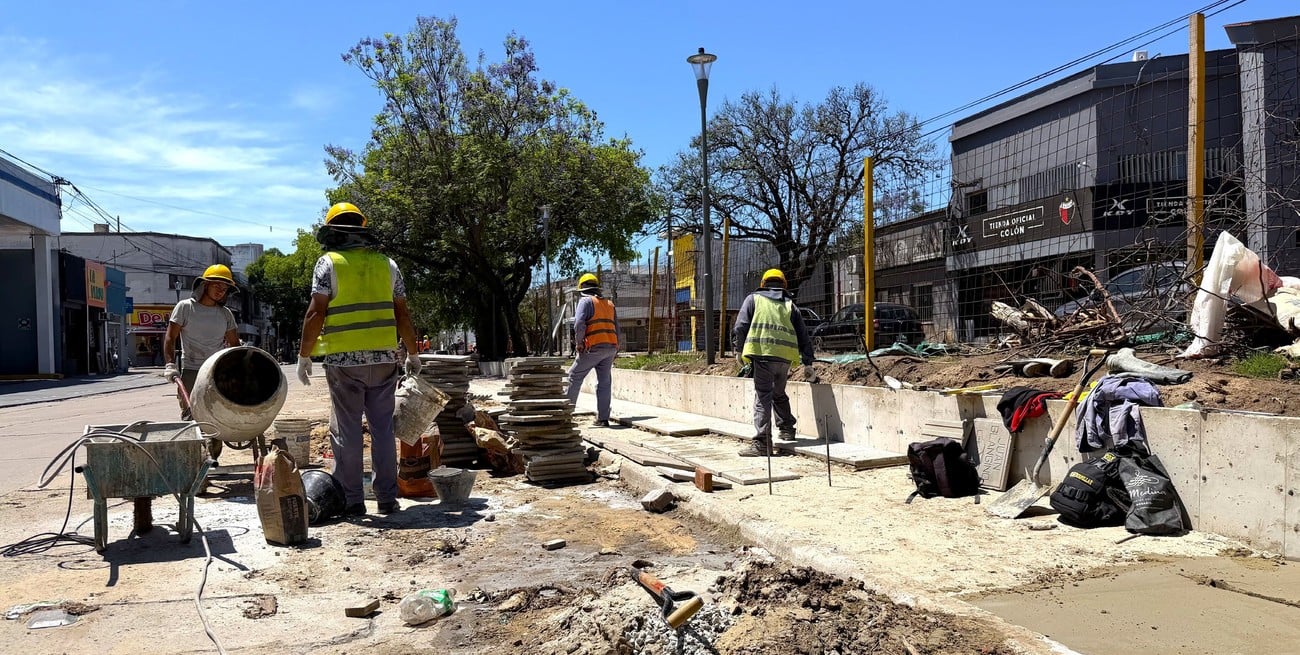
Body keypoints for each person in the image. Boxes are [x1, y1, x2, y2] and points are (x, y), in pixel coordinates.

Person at [297, 202, 421, 517]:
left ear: (333, 233)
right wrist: (413, 353)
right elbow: (402, 315)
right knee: (382, 431)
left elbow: (315, 313)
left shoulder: (328, 264)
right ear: (363, 231)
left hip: (344, 362)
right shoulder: (388, 265)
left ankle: (353, 500)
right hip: (383, 360)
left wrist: (304, 354)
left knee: (347, 431)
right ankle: (387, 500)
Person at [731, 268, 815, 457]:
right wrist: (808, 361)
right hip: (784, 357)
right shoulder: (789, 304)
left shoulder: (753, 299)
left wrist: (738, 350)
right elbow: (803, 334)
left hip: (763, 355)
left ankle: (762, 443)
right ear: (784, 284)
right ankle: (786, 428)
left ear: (763, 283)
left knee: (763, 396)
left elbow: (740, 326)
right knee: (778, 392)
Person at [162, 264, 241, 464]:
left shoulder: (225, 314)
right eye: (217, 285)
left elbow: (234, 345)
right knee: (192, 418)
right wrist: (170, 364)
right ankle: (193, 464)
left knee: (216, 417)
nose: (221, 291)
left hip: (216, 373)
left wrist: (236, 369)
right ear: (205, 285)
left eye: (225, 289)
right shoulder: (185, 307)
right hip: (191, 371)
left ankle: (211, 460)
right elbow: (170, 338)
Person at [565, 273, 622, 427]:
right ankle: (603, 419)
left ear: (582, 289)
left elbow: (579, 324)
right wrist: (617, 347)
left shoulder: (585, 301)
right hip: (610, 347)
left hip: (593, 347)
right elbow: (617, 327)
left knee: (573, 377)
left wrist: (579, 343)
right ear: (597, 288)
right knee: (604, 382)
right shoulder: (609, 304)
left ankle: (565, 417)